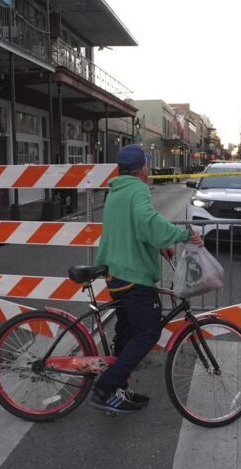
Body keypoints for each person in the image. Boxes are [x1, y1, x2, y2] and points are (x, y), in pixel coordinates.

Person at [92, 144, 203, 414]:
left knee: (127, 333)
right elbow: (147, 221)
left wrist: (157, 245)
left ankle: (117, 388)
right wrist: (183, 234)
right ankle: (107, 386)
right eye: (147, 166)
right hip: (133, 276)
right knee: (149, 331)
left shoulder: (116, 191)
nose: (148, 171)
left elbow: (131, 229)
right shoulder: (138, 189)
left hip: (115, 273)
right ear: (142, 169)